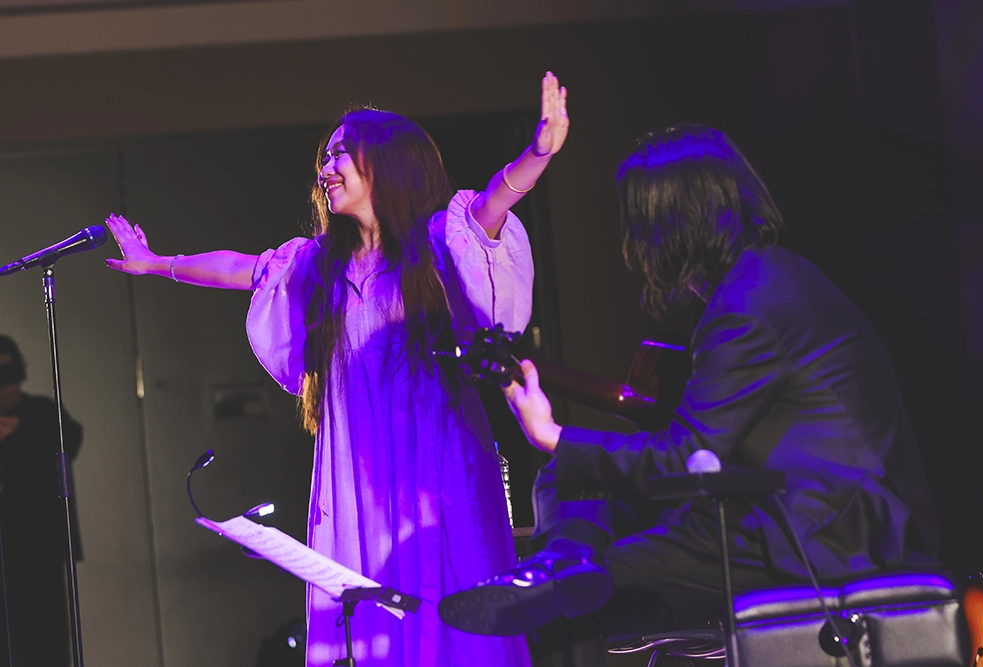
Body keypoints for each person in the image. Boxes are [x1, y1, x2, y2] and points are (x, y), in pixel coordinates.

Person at [104, 72, 569, 667]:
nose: (326, 167)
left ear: (386, 165)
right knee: (365, 608)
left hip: (435, 459)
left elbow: (492, 205)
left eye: (340, 154)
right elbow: (239, 268)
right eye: (325, 156)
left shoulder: (436, 241)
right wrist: (156, 263)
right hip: (355, 467)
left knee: (448, 601)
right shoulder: (318, 263)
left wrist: (537, 154)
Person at [439, 125, 940, 665]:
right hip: (781, 508)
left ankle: (564, 578)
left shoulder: (748, 305)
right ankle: (564, 565)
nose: (632, 244)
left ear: (672, 221)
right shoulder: (766, 279)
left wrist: (552, 433)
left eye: (637, 221)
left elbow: (687, 454)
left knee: (576, 593)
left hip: (824, 534)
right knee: (571, 478)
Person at [0, 334, 83, 667]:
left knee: (48, 644)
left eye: (10, 380)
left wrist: (19, 433)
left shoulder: (42, 414)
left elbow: (68, 442)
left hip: (40, 550)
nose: (6, 390)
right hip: (6, 555)